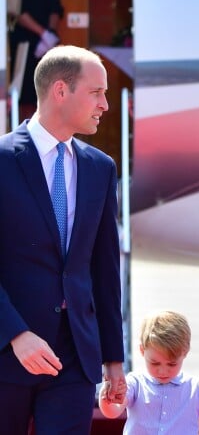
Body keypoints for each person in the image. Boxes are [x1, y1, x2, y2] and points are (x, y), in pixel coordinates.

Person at [0, 45, 126, 434]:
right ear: (60, 90)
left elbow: (105, 269)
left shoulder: (100, 169)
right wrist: (15, 335)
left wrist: (114, 361)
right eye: (97, 92)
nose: (105, 104)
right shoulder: (2, 160)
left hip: (75, 359)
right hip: (7, 353)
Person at [99, 310, 199, 433]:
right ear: (142, 350)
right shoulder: (135, 382)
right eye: (154, 363)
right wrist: (107, 397)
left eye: (172, 364)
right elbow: (112, 412)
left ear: (185, 352)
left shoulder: (197, 388)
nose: (162, 370)